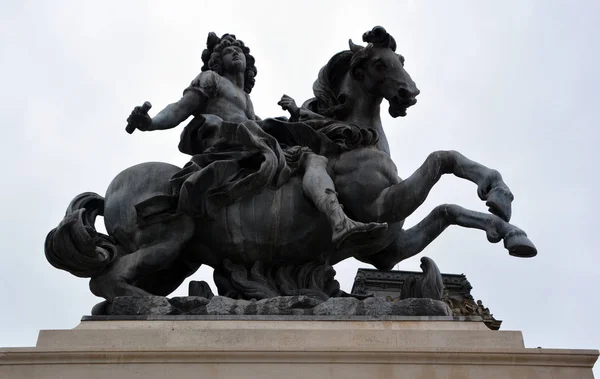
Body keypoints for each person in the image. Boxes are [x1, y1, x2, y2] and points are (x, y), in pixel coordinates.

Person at [126, 32, 386, 248]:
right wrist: (150, 124)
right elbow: (179, 108)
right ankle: (339, 221)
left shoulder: (246, 100)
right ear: (218, 60)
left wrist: (296, 113)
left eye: (239, 50)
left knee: (308, 152)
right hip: (227, 141)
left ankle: (335, 219)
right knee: (308, 156)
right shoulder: (211, 79)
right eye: (228, 50)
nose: (236, 52)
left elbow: (259, 125)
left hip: (250, 140)